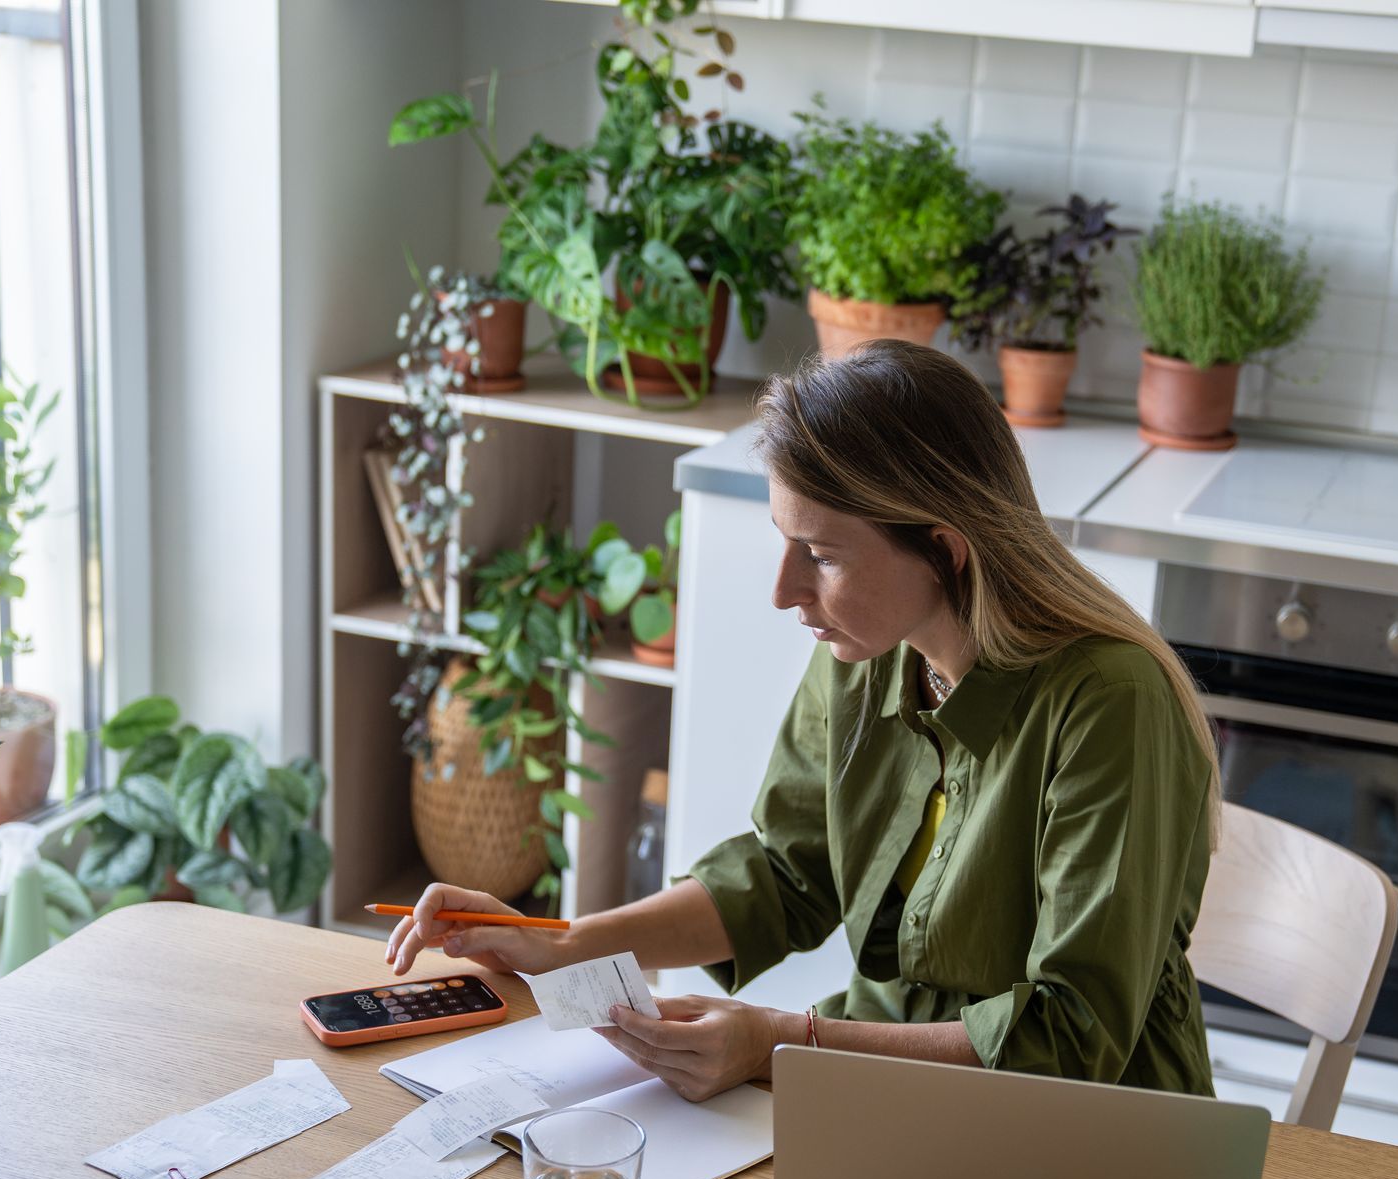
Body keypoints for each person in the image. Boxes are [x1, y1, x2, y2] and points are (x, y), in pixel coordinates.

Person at [386, 339, 1221, 1102]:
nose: (784, 590)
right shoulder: (870, 648)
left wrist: (783, 1043)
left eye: (821, 555)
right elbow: (786, 877)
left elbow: (1071, 1041)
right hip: (879, 1087)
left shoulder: (1113, 703)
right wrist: (564, 943)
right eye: (786, 542)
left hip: (1088, 1140)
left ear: (943, 548)